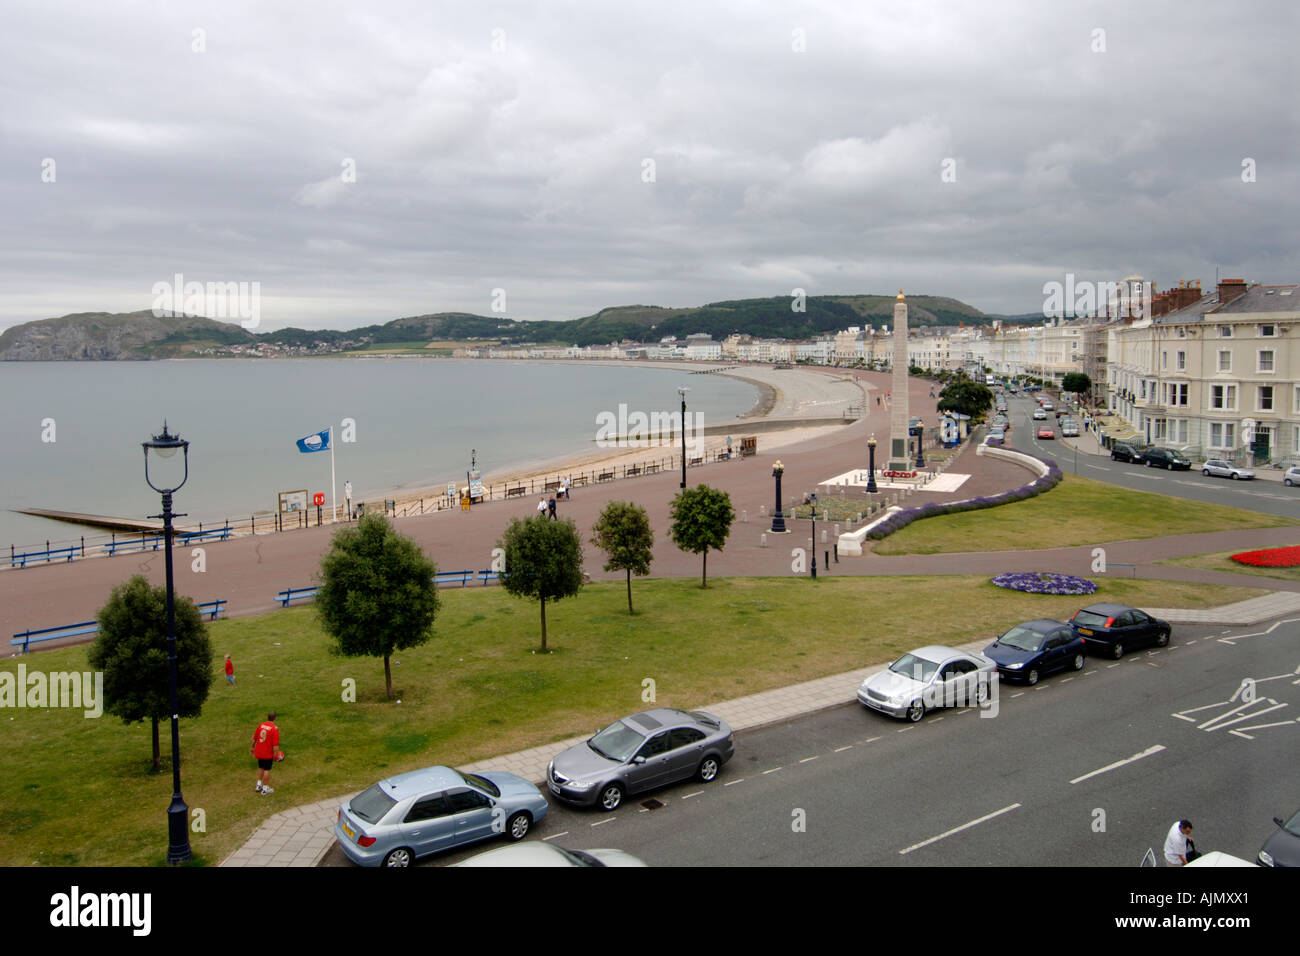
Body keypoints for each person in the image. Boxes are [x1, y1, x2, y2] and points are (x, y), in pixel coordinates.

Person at [250, 711, 282, 795]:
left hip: (259, 751)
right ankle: (265, 788)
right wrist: (278, 755)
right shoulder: (274, 729)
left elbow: (255, 738)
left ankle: (258, 784)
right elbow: (275, 746)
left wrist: (252, 747)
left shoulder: (261, 725)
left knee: (261, 767)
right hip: (267, 753)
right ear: (275, 718)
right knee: (267, 769)